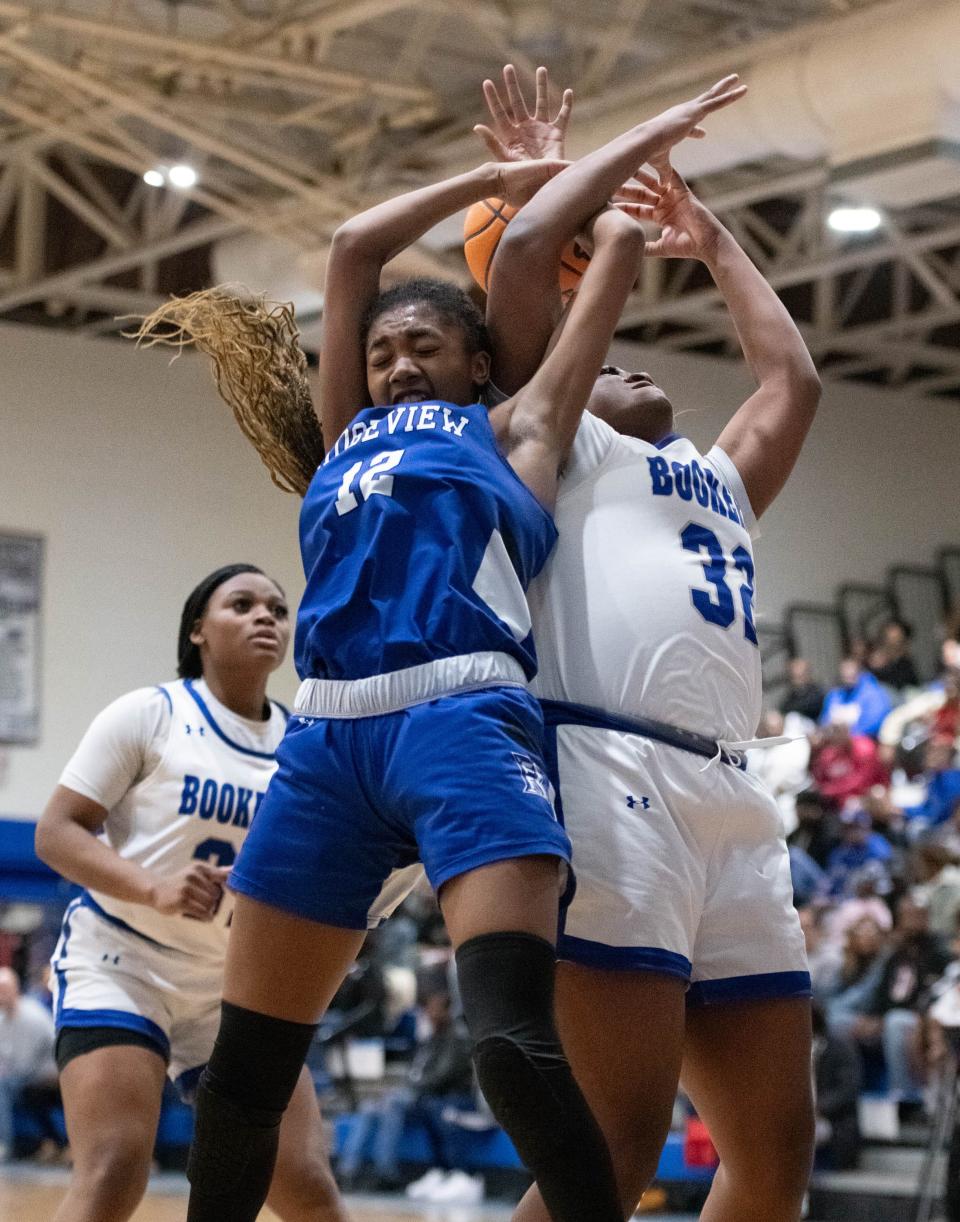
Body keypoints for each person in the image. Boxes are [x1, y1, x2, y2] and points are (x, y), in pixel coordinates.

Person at [133, 73, 749, 1222]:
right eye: (382, 352)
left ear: (479, 360)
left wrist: (622, 150)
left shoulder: (521, 427)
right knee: (241, 1082)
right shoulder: (342, 440)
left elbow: (611, 238)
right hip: (327, 741)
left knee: (512, 1048)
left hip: (465, 720)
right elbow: (354, 244)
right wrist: (496, 176)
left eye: (425, 345)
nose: (399, 363)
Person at [473, 65, 819, 1222]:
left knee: (772, 1162)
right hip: (607, 770)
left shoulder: (716, 478)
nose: (624, 365)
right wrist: (555, 180)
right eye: (604, 363)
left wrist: (712, 235)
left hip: (730, 787)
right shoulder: (553, 447)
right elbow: (524, 263)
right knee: (614, 1149)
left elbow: (792, 378)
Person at [34, 564, 346, 1222]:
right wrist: (155, 888)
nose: (267, 616)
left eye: (278, 608)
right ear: (199, 630)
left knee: (305, 1185)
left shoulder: (303, 743)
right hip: (124, 962)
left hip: (237, 982)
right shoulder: (152, 713)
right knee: (116, 1168)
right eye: (243, 604)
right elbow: (57, 833)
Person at [336, 987, 475, 1196]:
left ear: (447, 1011)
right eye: (428, 1009)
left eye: (434, 1010)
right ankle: (348, 1170)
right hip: (417, 1093)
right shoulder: (430, 1037)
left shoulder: (456, 1038)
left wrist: (408, 1089)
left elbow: (442, 1076)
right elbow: (415, 1072)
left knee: (392, 1104)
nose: (429, 1014)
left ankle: (386, 1172)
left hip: (437, 1096)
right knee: (370, 1106)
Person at [0, 966, 56, 1162]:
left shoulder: (32, 1016)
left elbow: (25, 1066)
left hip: (51, 1075)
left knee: (3, 1087)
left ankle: (4, 1144)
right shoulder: (3, 1019)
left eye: (3, 990)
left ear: (15, 989)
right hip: (25, 1075)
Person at [821, 657, 893, 739]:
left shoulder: (874, 693)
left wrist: (850, 733)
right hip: (835, 741)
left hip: (864, 739)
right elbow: (825, 719)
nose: (848, 677)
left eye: (851, 674)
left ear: (859, 672)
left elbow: (876, 721)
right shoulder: (834, 695)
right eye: (845, 675)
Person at [780, 657, 825, 723]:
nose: (798, 680)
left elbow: (810, 707)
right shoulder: (791, 696)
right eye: (794, 677)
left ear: (807, 674)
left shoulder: (817, 691)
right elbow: (783, 709)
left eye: (801, 676)